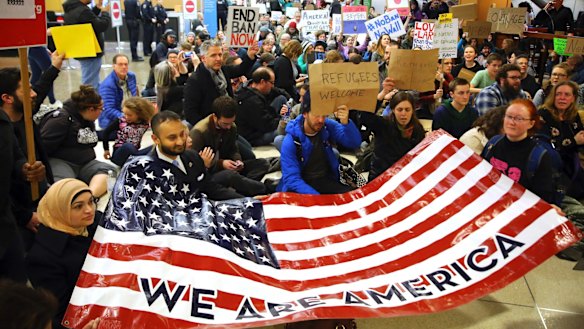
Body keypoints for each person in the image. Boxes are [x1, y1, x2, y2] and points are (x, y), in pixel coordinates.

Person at [25, 179, 99, 329]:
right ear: (60, 209)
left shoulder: (91, 224)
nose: (89, 210)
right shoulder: (43, 258)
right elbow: (59, 314)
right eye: (78, 206)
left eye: (91, 202)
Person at [277, 91, 361, 194]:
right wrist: (318, 199)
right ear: (305, 114)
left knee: (355, 197)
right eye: (316, 115)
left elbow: (354, 143)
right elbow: (292, 180)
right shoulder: (291, 141)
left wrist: (346, 122)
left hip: (325, 179)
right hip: (302, 185)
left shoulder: (327, 126)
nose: (321, 120)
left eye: (324, 115)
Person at [40, 85, 117, 198]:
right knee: (64, 186)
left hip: (84, 163)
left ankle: (90, 197)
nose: (101, 112)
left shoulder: (86, 119)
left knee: (109, 171)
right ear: (91, 109)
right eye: (101, 109)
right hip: (61, 161)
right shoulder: (60, 120)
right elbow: (43, 147)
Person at [149, 111, 243, 200]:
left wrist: (246, 201)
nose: (180, 141)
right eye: (172, 138)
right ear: (155, 139)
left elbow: (211, 189)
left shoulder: (193, 156)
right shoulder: (148, 171)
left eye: (182, 134)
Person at [0, 99, 46, 283]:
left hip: (5, 222)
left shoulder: (2, 121)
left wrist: (25, 169)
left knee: (15, 284)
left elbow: (15, 156)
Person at [481, 100, 557, 205]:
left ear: (531, 123)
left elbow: (543, 198)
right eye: (509, 116)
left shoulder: (539, 156)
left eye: (519, 119)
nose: (512, 122)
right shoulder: (493, 143)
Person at [190, 96, 268, 197]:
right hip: (210, 174)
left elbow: (233, 148)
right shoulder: (199, 133)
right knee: (231, 176)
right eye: (225, 123)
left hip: (229, 167)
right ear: (215, 117)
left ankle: (243, 187)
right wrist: (221, 164)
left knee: (262, 163)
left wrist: (237, 160)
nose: (228, 127)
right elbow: (196, 165)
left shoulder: (232, 127)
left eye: (231, 122)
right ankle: (263, 188)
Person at [183, 39, 258, 126]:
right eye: (213, 55)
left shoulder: (223, 70)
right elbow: (190, 113)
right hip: (211, 128)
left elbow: (240, 69)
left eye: (220, 54)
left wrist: (250, 55)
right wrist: (211, 127)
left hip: (230, 121)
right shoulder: (195, 80)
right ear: (203, 58)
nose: (218, 59)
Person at [361, 91, 426, 182]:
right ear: (393, 110)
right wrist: (381, 95)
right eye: (400, 110)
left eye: (407, 110)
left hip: (405, 177)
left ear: (413, 111)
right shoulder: (384, 125)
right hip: (381, 177)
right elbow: (365, 117)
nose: (403, 114)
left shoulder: (417, 129)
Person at [538, 81, 584, 199]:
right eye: (558, 94)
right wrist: (573, 141)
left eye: (567, 95)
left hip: (572, 161)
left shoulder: (573, 116)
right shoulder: (543, 114)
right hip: (551, 165)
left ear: (573, 98)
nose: (562, 98)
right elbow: (545, 146)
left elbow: (581, 136)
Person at [62, 0, 110, 89]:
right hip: (90, 52)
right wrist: (105, 13)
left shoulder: (72, 9)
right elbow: (101, 26)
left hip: (82, 50)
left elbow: (88, 21)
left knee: (91, 80)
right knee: (90, 85)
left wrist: (97, 8)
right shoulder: (83, 11)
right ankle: (90, 102)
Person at [236, 67, 287, 146]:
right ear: (263, 82)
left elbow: (278, 92)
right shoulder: (252, 101)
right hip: (254, 136)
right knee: (285, 130)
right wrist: (282, 120)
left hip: (261, 123)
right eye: (272, 83)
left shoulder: (249, 88)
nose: (273, 86)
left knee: (281, 99)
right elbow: (266, 125)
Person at [102, 97, 155, 167]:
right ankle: (140, 159)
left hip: (134, 154)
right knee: (128, 146)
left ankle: (139, 159)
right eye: (124, 114)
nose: (126, 117)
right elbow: (105, 132)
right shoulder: (120, 121)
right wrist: (106, 149)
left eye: (129, 115)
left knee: (156, 146)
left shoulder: (145, 123)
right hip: (120, 155)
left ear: (139, 114)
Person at [98, 54, 138, 130]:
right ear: (114, 66)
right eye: (120, 64)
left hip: (129, 114)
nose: (124, 67)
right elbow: (108, 110)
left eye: (126, 64)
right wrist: (127, 118)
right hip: (111, 122)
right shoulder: (107, 85)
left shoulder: (131, 76)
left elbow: (135, 98)